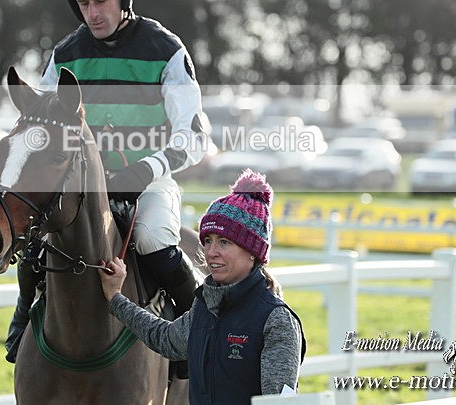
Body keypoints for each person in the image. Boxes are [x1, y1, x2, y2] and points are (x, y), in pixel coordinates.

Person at [5, 0, 207, 367]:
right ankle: (23, 320)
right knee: (37, 241)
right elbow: (43, 124)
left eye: (101, 1)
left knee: (154, 238)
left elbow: (194, 135)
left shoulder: (165, 49)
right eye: (83, 3)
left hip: (147, 186)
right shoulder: (65, 55)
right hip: (80, 190)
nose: (92, 13)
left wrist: (144, 169)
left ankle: (197, 338)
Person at [99, 169, 305, 403]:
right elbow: (164, 338)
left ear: (253, 252)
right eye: (208, 241)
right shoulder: (204, 306)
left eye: (224, 242)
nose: (211, 253)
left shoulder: (277, 320)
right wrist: (116, 297)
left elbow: (279, 402)